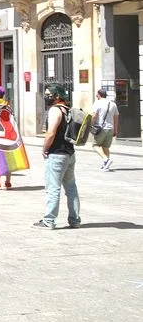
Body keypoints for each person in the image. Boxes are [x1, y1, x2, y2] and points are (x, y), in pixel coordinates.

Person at [34, 84, 80, 229]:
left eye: (49, 94)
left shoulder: (55, 110)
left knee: (53, 188)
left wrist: (45, 148)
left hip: (57, 154)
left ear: (57, 96)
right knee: (71, 188)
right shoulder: (68, 110)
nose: (46, 97)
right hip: (70, 153)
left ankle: (49, 220)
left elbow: (51, 132)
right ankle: (75, 219)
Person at [91, 88, 118, 171]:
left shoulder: (97, 103)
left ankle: (106, 160)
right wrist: (115, 130)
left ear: (99, 95)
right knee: (105, 147)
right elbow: (116, 117)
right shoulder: (113, 104)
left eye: (97, 95)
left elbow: (94, 116)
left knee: (95, 145)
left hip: (101, 128)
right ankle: (106, 165)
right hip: (110, 128)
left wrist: (90, 124)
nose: (96, 96)